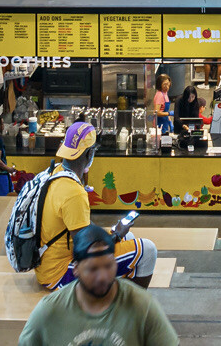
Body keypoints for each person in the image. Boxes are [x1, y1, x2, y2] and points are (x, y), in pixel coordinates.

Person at [32, 122, 159, 290]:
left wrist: (115, 235)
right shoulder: (74, 192)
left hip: (46, 265)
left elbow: (79, 227)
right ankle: (132, 307)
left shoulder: (55, 173)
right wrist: (116, 236)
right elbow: (86, 250)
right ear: (89, 153)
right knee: (148, 250)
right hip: (60, 275)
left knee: (128, 237)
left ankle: (113, 295)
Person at [18, 224, 177, 346]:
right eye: (93, 269)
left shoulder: (142, 305)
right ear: (77, 269)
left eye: (108, 266)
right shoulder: (49, 311)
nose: (102, 277)